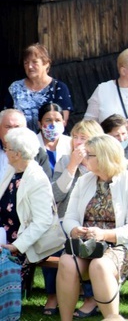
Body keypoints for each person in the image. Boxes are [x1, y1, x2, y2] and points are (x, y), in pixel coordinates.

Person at [57, 135, 128, 321]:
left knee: (101, 265)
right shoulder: (84, 181)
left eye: (89, 155)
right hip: (88, 244)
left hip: (124, 244)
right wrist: (75, 229)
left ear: (104, 157)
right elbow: (69, 218)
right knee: (67, 262)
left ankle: (112, 318)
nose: (85, 158)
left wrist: (105, 234)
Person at [0, 127, 66, 316]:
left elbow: (42, 222)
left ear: (17, 153)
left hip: (28, 241)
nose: (5, 152)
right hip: (5, 234)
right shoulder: (11, 170)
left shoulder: (36, 179)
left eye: (7, 148)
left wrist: (16, 246)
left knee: (4, 262)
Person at [48, 119, 105, 317]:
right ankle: (53, 293)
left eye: (84, 138)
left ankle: (91, 298)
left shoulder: (101, 163)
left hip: (93, 221)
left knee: (87, 242)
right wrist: (71, 167)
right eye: (75, 137)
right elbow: (55, 196)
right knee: (53, 237)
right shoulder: (65, 160)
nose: (78, 142)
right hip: (65, 218)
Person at [3, 43, 73, 132]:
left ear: (46, 63)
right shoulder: (15, 87)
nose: (29, 66)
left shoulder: (59, 88)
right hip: (20, 141)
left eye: (34, 62)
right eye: (26, 63)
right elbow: (5, 118)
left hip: (49, 140)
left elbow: (61, 122)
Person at [0, 109, 52, 179]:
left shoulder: (37, 153)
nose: (13, 131)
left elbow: (45, 182)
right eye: (8, 127)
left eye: (17, 127)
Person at [37, 102, 72, 171]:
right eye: (48, 120)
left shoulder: (71, 143)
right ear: (40, 124)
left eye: (57, 120)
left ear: (64, 123)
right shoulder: (31, 143)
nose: (53, 124)